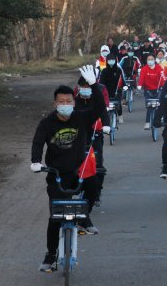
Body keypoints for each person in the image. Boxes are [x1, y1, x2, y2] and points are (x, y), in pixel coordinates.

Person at [31, 66, 109, 272]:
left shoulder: (81, 117)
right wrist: (35, 161)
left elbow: (100, 107)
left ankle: (84, 217)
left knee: (93, 186)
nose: (65, 105)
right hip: (57, 174)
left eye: (68, 101)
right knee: (55, 216)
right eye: (61, 102)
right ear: (55, 103)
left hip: (79, 171)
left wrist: (94, 85)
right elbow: (38, 142)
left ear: (74, 102)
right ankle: (51, 254)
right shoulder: (47, 123)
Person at [75, 76, 110, 205]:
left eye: (88, 86)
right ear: (79, 88)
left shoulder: (97, 101)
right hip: (77, 136)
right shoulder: (73, 102)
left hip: (95, 133)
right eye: (83, 86)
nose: (85, 89)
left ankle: (96, 193)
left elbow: (103, 112)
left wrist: (106, 125)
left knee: (98, 164)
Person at [137, 53, 166, 130]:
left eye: (151, 59)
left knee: (159, 104)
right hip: (148, 90)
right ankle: (147, 122)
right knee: (149, 106)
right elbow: (141, 78)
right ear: (146, 60)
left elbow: (162, 78)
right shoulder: (144, 69)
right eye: (148, 59)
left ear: (154, 60)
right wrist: (140, 85)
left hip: (158, 89)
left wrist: (164, 85)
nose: (150, 61)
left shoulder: (159, 68)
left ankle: (161, 118)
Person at [99, 54, 127, 124]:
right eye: (109, 60)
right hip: (106, 91)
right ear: (107, 61)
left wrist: (124, 86)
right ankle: (105, 118)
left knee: (118, 104)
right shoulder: (104, 71)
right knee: (105, 105)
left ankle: (120, 116)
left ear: (115, 61)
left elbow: (122, 80)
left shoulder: (118, 70)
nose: (111, 61)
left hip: (117, 91)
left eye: (113, 60)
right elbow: (101, 82)